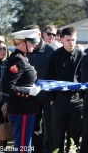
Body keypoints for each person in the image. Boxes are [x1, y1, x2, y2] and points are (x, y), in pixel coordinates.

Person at [47, 27, 85, 153]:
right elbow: (50, 78)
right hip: (59, 100)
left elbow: (85, 78)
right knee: (57, 135)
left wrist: (83, 99)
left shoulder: (82, 56)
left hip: (77, 101)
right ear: (61, 39)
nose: (71, 43)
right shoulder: (55, 56)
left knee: (74, 136)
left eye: (73, 40)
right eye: (68, 40)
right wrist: (52, 99)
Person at [2, 29, 41, 153]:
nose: (35, 44)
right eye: (32, 42)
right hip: (21, 110)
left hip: (25, 109)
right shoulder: (18, 60)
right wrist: (28, 92)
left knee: (24, 146)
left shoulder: (22, 58)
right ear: (23, 42)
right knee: (22, 148)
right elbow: (8, 86)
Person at [23, 25, 56, 153]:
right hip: (31, 96)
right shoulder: (24, 50)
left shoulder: (51, 50)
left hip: (48, 96)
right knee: (33, 126)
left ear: (39, 34)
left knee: (50, 126)